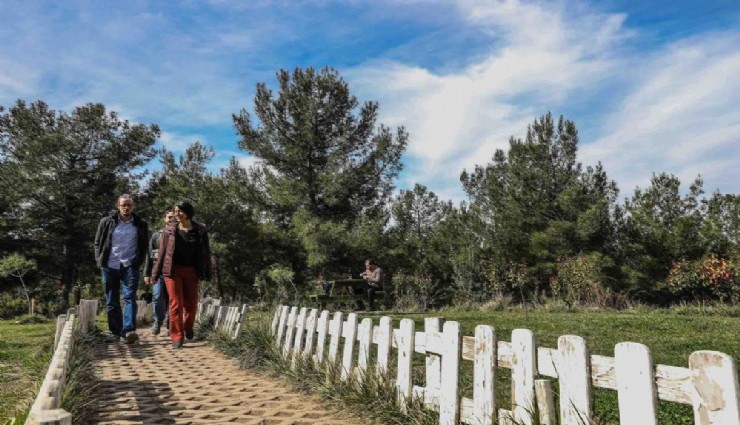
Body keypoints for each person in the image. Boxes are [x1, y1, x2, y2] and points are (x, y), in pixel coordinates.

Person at [151, 201, 212, 349]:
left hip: (192, 271)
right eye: (175, 211)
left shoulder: (200, 230)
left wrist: (207, 271)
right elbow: (162, 253)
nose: (177, 214)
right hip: (172, 271)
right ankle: (177, 337)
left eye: (180, 211)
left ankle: (188, 326)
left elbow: (206, 253)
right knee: (175, 304)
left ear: (188, 213)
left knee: (191, 304)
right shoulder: (169, 231)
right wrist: (155, 273)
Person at [94, 194, 149, 344]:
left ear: (133, 206)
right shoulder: (106, 222)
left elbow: (144, 245)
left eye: (129, 205)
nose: (126, 208)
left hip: (130, 266)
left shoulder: (140, 223)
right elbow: (98, 243)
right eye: (123, 205)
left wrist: (138, 262)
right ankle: (115, 332)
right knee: (111, 300)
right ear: (117, 206)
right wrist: (100, 261)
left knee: (129, 297)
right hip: (110, 265)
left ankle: (129, 330)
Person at [144, 207, 177, 336]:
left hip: (175, 273)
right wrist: (147, 273)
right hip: (159, 273)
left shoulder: (181, 234)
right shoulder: (156, 235)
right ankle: (158, 320)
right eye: (169, 217)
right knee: (157, 296)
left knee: (172, 299)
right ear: (164, 219)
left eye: (174, 217)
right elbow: (149, 255)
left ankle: (170, 323)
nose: (172, 219)